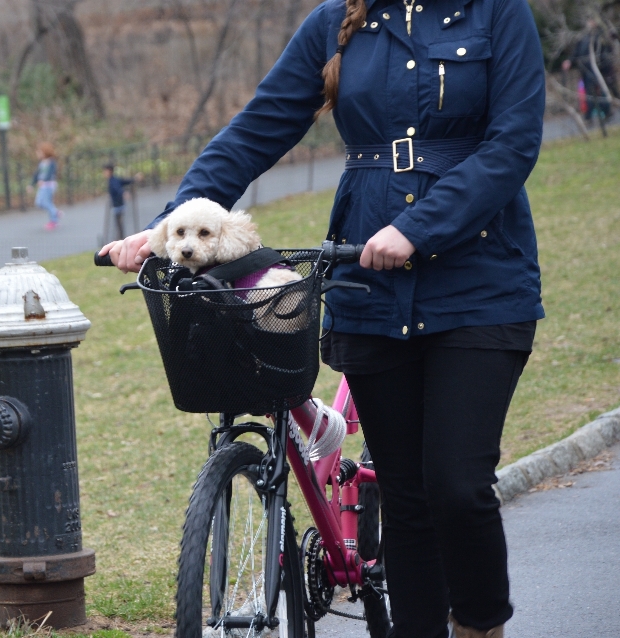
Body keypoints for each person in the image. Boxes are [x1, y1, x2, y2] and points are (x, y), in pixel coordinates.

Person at [100, 0, 546, 636]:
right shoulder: (336, 22)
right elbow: (257, 130)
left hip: (479, 283)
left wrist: (418, 228)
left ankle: (479, 626)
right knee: (407, 498)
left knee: (456, 485)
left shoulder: (498, 13)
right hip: (368, 283)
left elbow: (514, 142)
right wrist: (164, 225)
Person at [562, 18, 618, 123]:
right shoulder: (584, 37)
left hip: (599, 69)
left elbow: (607, 49)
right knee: (589, 93)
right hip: (585, 69)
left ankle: (607, 111)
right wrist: (569, 61)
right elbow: (576, 51)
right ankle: (589, 117)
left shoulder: (600, 35)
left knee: (602, 91)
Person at [102, 163, 141, 240]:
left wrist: (123, 193)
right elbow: (124, 182)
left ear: (109, 171)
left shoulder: (112, 180)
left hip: (118, 205)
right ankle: (120, 237)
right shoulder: (114, 179)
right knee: (119, 223)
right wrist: (134, 179)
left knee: (119, 223)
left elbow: (117, 188)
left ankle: (121, 238)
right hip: (118, 205)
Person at [29, 142, 62, 230]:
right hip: (42, 186)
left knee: (46, 202)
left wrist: (44, 180)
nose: (38, 154)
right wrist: (31, 184)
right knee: (40, 202)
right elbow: (36, 174)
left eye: (39, 152)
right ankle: (55, 212)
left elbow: (51, 173)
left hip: (49, 185)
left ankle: (53, 220)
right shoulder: (41, 163)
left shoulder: (51, 162)